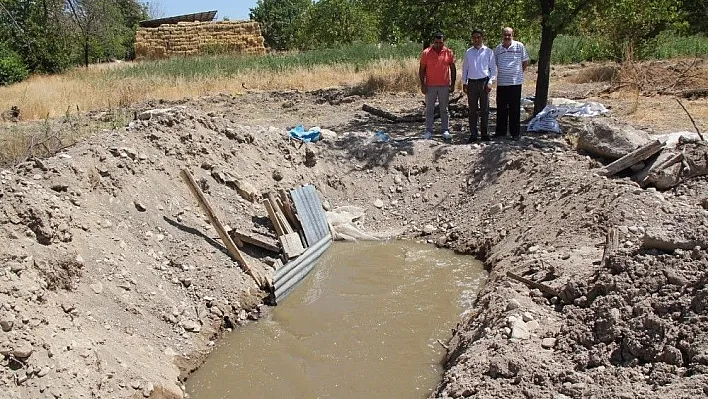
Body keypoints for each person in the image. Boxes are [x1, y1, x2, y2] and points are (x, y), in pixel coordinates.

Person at [419, 32, 456, 141]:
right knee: (429, 109)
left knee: (444, 109)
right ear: (433, 42)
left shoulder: (448, 52)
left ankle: (445, 130)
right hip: (430, 86)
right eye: (436, 42)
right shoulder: (426, 53)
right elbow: (421, 69)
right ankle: (429, 130)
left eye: (440, 42)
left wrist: (453, 84)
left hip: (444, 85)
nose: (438, 44)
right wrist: (423, 84)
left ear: (443, 41)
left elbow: (453, 69)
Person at [494, 27, 529, 140]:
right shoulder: (498, 49)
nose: (507, 37)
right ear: (502, 35)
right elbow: (494, 64)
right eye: (505, 35)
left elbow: (525, 62)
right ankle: (501, 132)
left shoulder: (519, 46)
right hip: (502, 82)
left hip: (515, 82)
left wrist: (517, 73)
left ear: (513, 35)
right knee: (501, 108)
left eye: (509, 35)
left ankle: (515, 133)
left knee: (515, 108)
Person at [461, 28, 496, 142]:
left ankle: (485, 134)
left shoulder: (489, 52)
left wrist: (490, 82)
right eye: (474, 37)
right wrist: (464, 83)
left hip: (484, 82)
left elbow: (493, 69)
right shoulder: (468, 52)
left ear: (482, 38)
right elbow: (465, 69)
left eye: (478, 37)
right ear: (472, 39)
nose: (476, 39)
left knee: (485, 109)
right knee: (472, 110)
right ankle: (473, 134)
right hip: (472, 83)